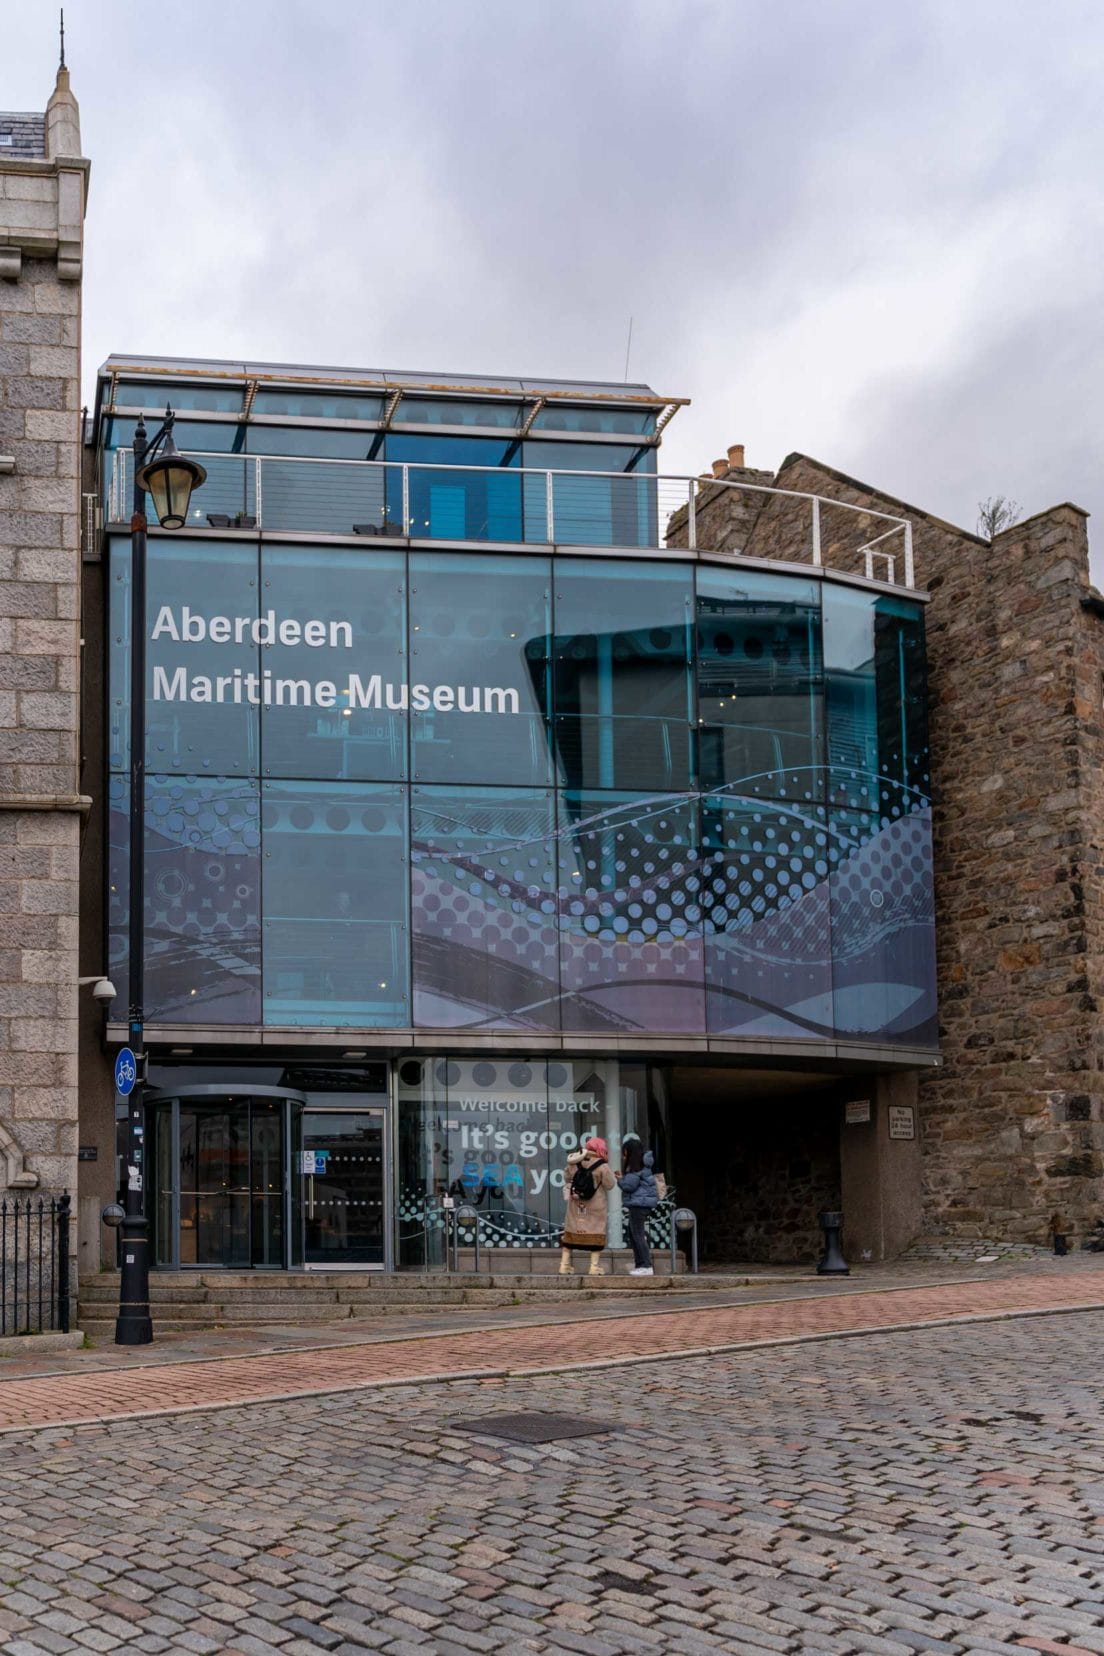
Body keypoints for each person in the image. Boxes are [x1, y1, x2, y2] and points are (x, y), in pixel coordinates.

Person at [559, 1136, 616, 1276]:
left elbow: (566, 1178)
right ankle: (594, 1267)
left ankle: (564, 1265)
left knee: (571, 1231)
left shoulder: (575, 1160)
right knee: (595, 1233)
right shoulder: (602, 1164)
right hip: (595, 1205)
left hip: (576, 1204)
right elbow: (610, 1185)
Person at [617, 1132, 658, 1276]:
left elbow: (629, 1186)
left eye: (624, 1152)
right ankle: (641, 1265)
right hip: (641, 1204)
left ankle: (645, 1265)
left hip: (638, 1205)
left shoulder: (636, 1168)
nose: (623, 1156)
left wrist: (620, 1179)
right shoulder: (643, 1166)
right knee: (635, 1234)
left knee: (638, 1235)